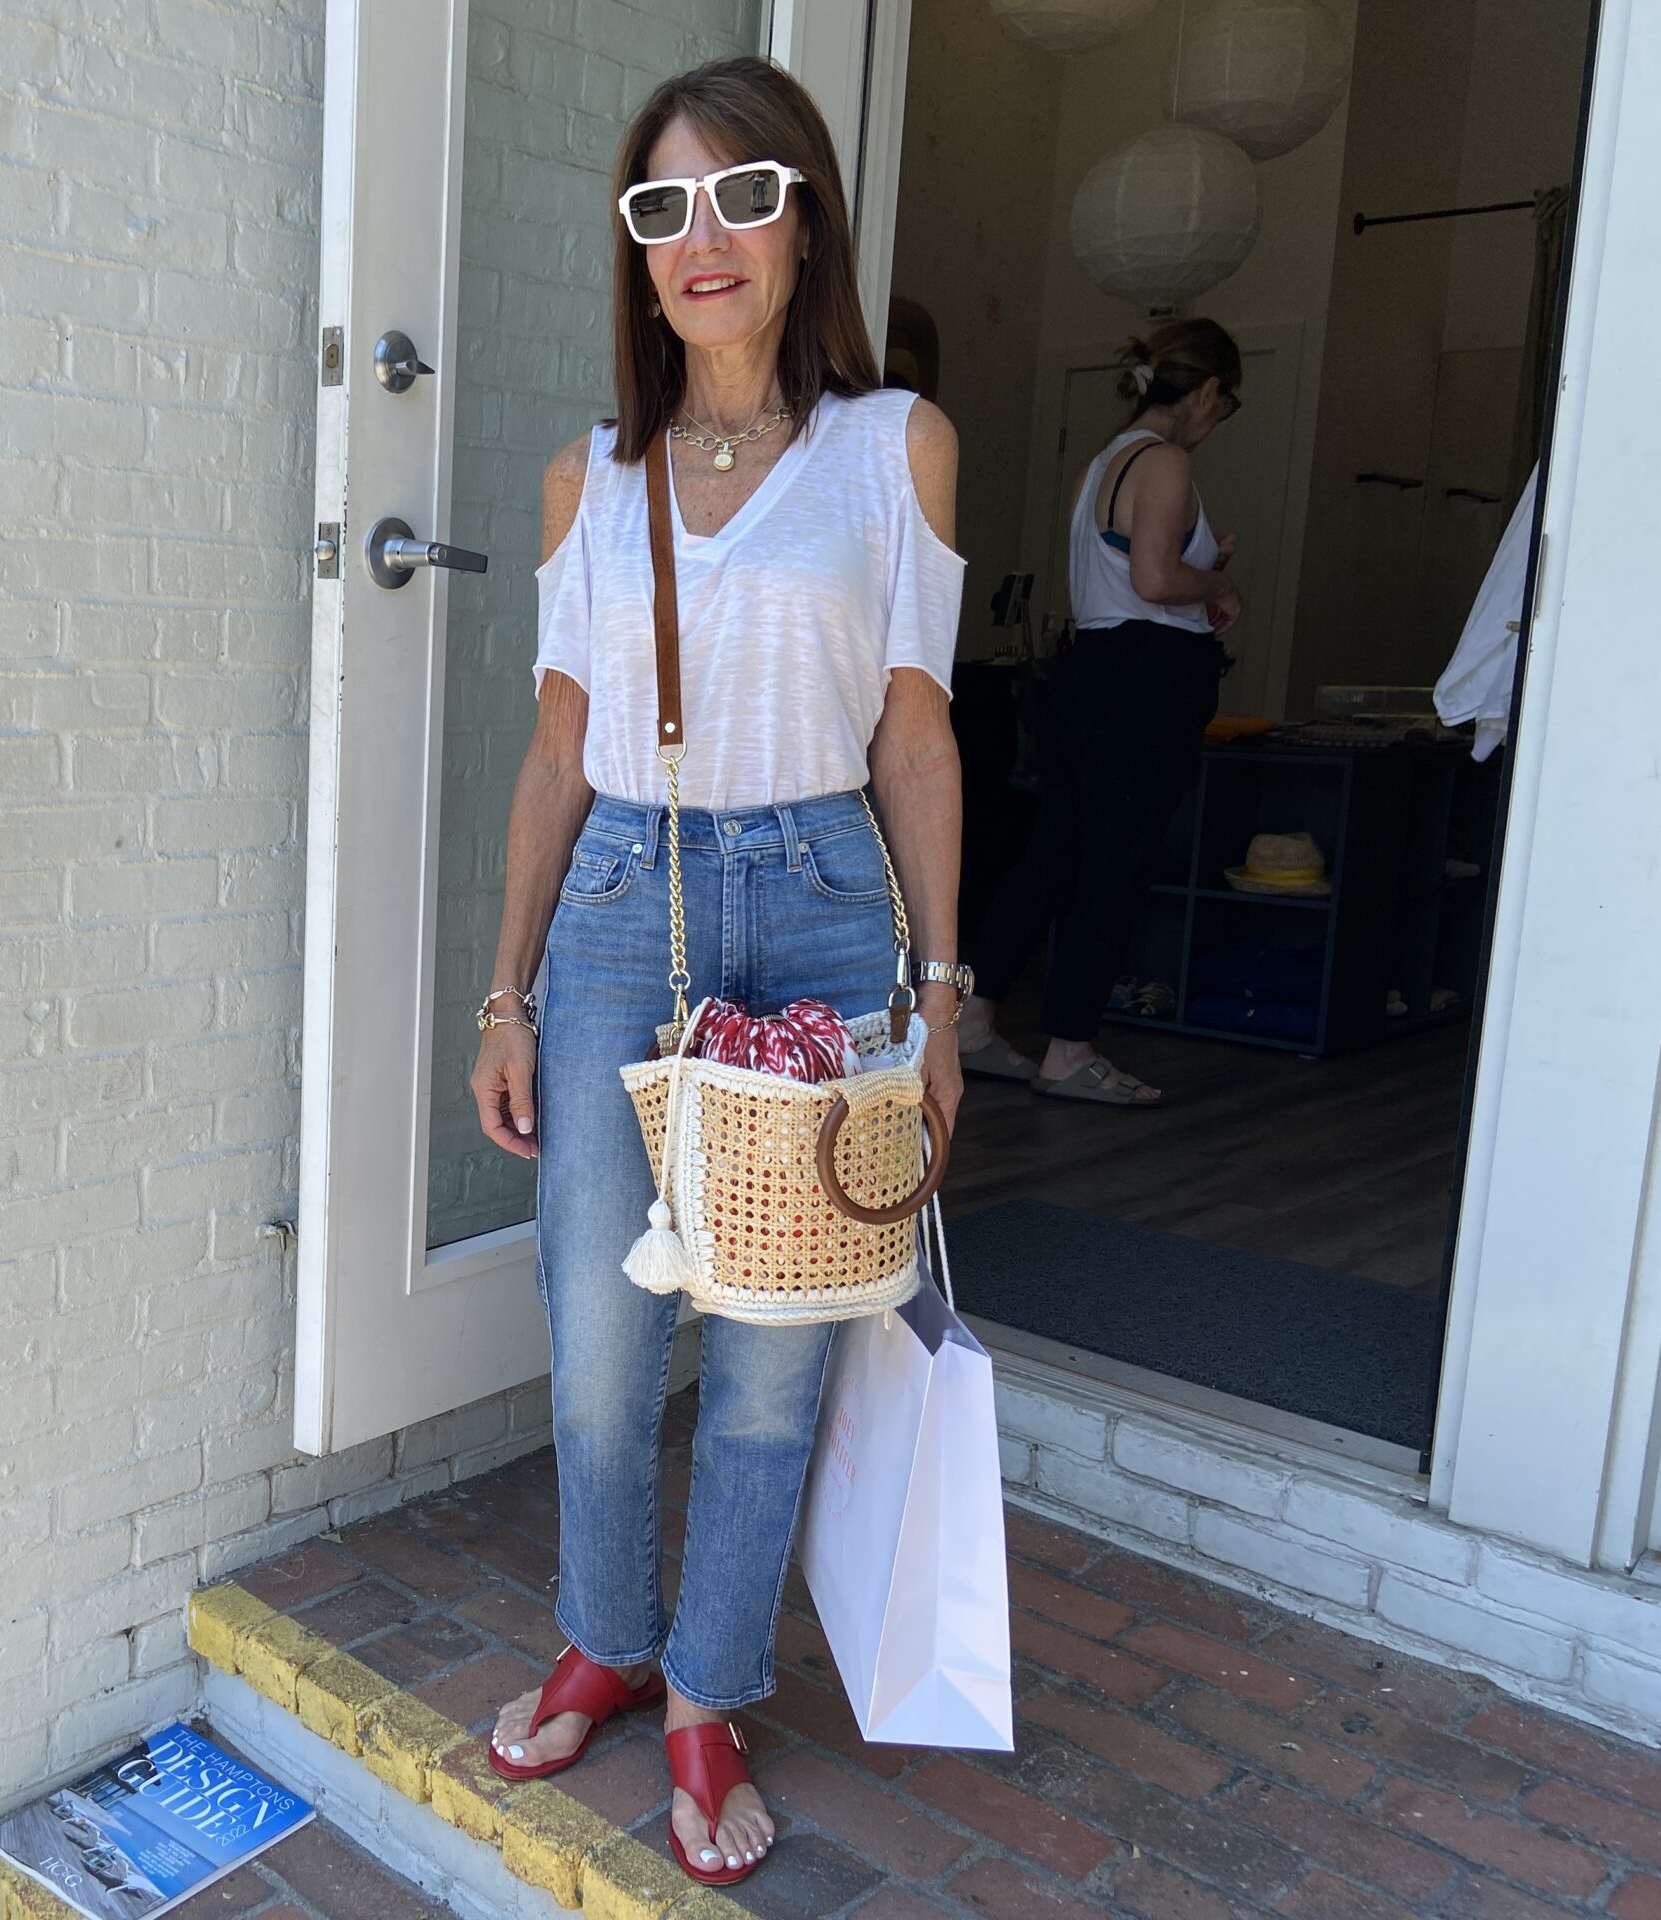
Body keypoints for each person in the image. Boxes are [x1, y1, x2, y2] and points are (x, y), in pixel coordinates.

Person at [465, 56, 965, 1886]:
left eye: (740, 195)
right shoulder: (585, 480)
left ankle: (703, 1688)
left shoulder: (890, 445)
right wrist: (504, 991)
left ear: (803, 213)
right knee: (604, 1343)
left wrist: (944, 986)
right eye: (661, 208)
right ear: (637, 251)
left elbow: (916, 741)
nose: (704, 240)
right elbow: (554, 755)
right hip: (618, 905)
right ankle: (605, 1630)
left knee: (772, 1356)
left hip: (829, 900)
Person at [959, 320, 1244, 1105]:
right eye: (1225, 405)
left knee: (1052, 856)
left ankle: (974, 1023)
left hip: (1092, 674)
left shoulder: (1104, 461)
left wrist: (1198, 577)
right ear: (1210, 391)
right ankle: (1070, 1050)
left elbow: (1129, 575)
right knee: (1112, 868)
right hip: (1141, 685)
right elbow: (1154, 581)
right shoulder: (1167, 463)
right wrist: (1217, 587)